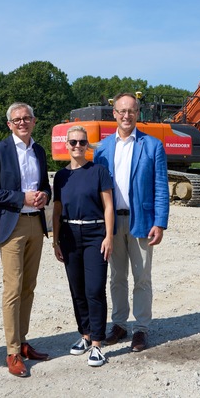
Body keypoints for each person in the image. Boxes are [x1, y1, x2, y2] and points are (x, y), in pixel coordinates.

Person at [0, 102, 51, 378]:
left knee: (29, 287)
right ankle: (12, 351)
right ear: (9, 124)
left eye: (27, 118)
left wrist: (45, 194)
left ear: (34, 121)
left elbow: (44, 184)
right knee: (13, 288)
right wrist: (21, 198)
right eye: (17, 119)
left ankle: (23, 342)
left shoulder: (39, 150)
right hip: (12, 225)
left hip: (36, 224)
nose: (22, 123)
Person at [93, 92, 169, 353]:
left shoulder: (152, 145)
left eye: (132, 111)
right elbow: (97, 189)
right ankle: (119, 324)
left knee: (142, 278)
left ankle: (141, 329)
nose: (127, 115)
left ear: (138, 114)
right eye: (122, 111)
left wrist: (160, 222)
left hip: (143, 222)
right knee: (116, 277)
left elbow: (160, 186)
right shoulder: (102, 149)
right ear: (114, 114)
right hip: (113, 224)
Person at [52, 125, 114, 367]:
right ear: (66, 146)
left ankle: (98, 343)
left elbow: (108, 206)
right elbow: (56, 211)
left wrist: (109, 236)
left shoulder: (99, 171)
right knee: (77, 289)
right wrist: (55, 240)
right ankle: (85, 335)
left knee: (95, 289)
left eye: (82, 142)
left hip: (95, 234)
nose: (78, 146)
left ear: (88, 146)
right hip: (69, 234)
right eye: (73, 142)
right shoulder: (61, 176)